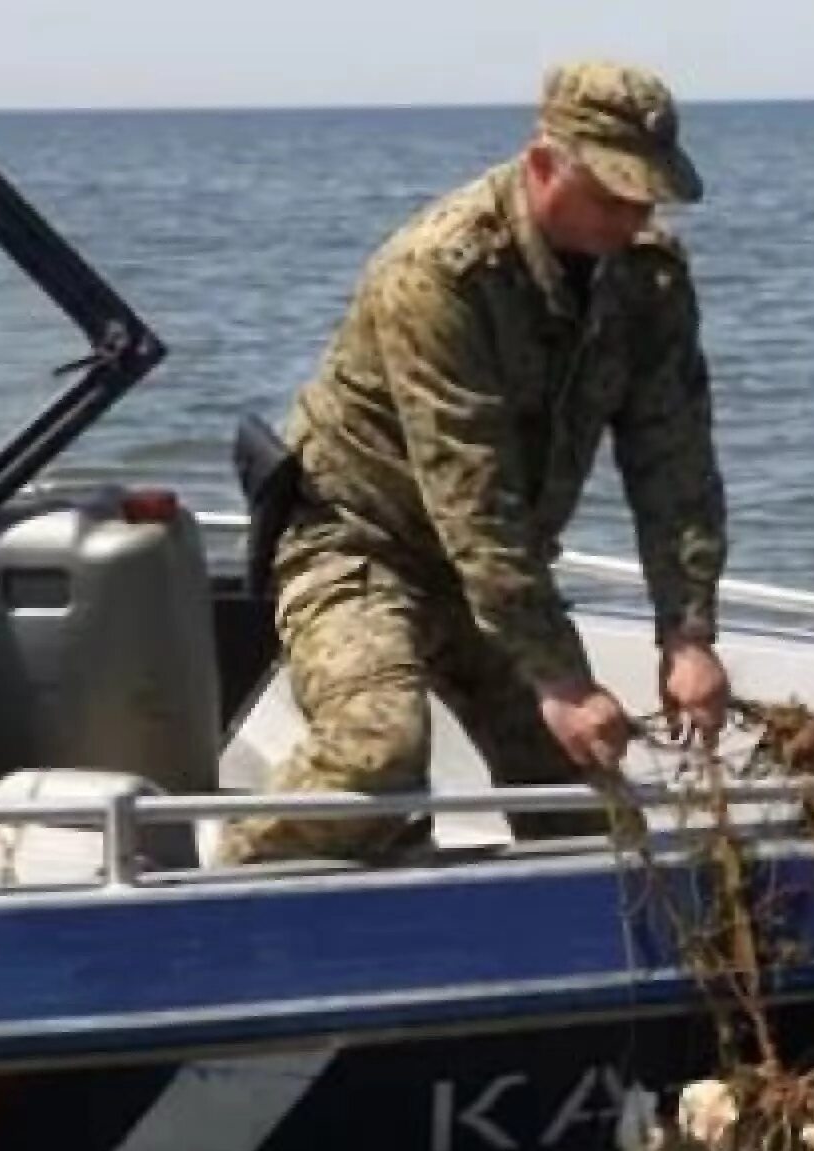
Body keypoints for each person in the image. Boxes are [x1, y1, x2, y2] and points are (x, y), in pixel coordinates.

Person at [219, 61, 729, 864]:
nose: (632, 218)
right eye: (611, 195)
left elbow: (674, 462)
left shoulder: (648, 279)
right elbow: (473, 495)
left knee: (593, 817)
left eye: (646, 198)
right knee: (378, 753)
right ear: (541, 165)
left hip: (493, 572)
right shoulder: (438, 273)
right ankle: (232, 893)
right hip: (357, 545)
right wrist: (559, 680)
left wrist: (688, 631)